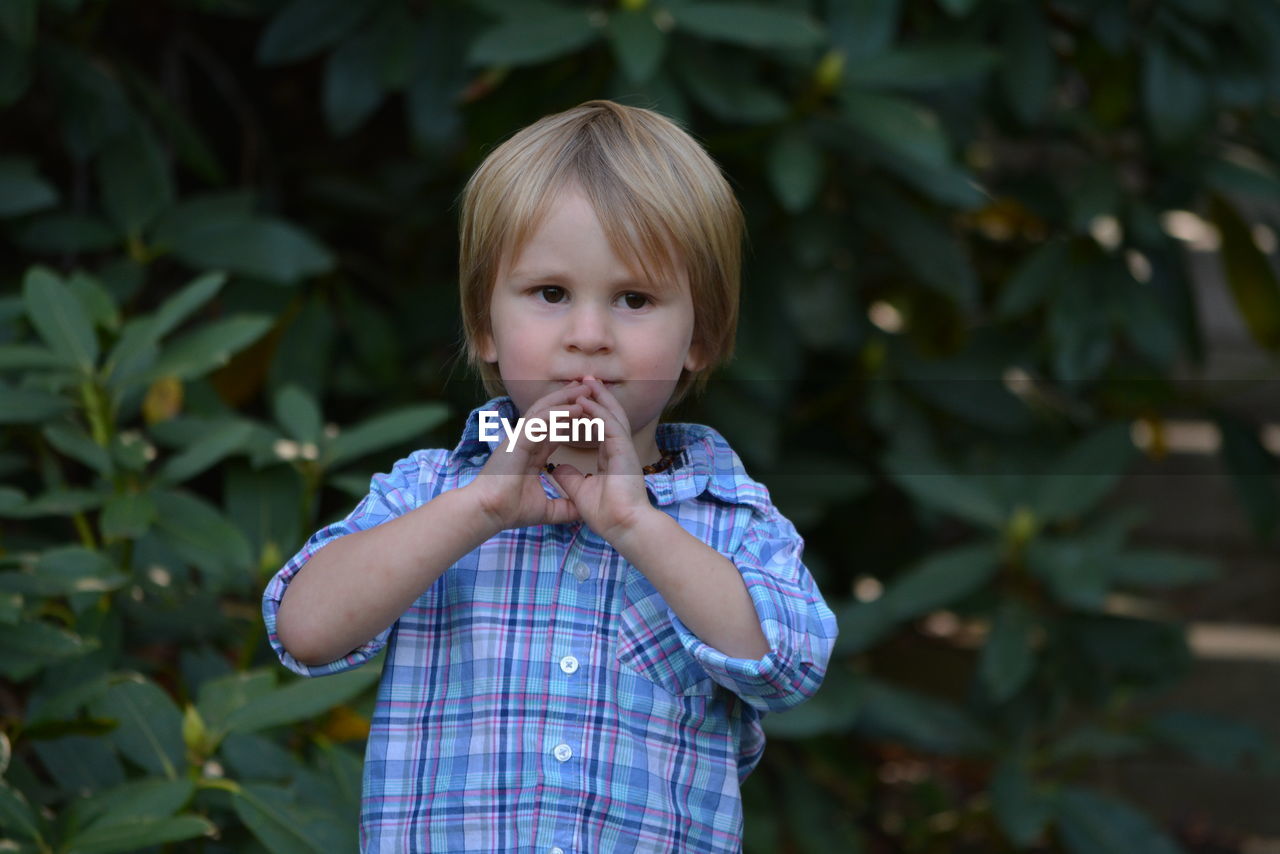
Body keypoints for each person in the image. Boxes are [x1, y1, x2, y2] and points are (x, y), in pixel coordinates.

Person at [262, 99, 839, 853]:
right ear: (483, 326)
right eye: (551, 294)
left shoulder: (728, 518)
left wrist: (640, 527)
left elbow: (788, 668)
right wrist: (481, 507)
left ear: (701, 335)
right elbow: (304, 631)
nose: (588, 337)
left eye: (634, 300)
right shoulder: (433, 492)